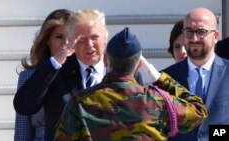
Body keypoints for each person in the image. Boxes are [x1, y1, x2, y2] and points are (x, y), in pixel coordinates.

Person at [55, 27, 207, 141]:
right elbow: (199, 111)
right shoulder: (159, 102)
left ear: (106, 61)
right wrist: (160, 78)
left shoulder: (80, 102)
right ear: (139, 65)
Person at [13, 9, 143, 141]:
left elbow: (139, 123)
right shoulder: (55, 72)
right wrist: (56, 62)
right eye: (81, 39)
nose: (89, 45)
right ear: (71, 41)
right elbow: (24, 106)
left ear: (106, 37)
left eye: (94, 37)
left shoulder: (126, 73)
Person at [163, 7, 229, 141]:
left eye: (201, 32)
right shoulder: (165, 78)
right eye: (189, 32)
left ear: (216, 36)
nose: (194, 38)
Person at [14, 9, 74, 141]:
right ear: (47, 40)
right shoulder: (28, 76)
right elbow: (22, 132)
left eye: (71, 37)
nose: (65, 43)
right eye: (59, 37)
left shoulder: (88, 74)